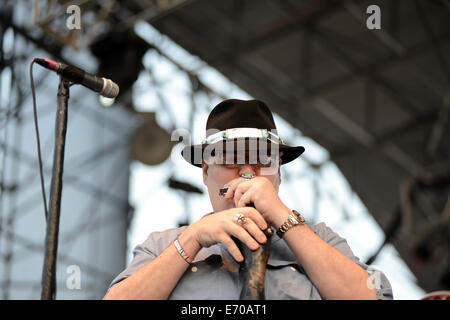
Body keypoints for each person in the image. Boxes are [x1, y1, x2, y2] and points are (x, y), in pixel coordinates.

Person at [104, 99, 393, 300]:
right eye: (232, 160)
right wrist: (191, 241)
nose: (246, 174)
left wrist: (283, 218)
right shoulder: (162, 246)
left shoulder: (320, 240)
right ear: (206, 171)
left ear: (278, 173)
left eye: (261, 161)